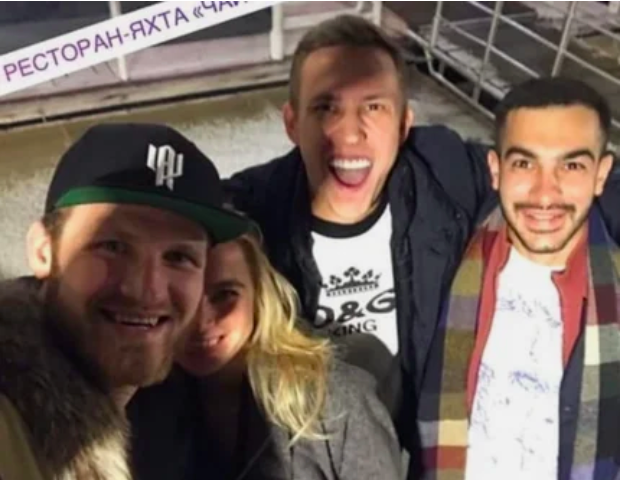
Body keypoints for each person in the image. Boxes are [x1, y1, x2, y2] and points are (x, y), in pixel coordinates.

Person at [223, 13, 620, 465]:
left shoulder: (444, 172)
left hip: (419, 449)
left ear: (404, 124)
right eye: (326, 108)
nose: (350, 132)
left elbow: (562, 180)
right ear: (292, 123)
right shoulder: (254, 215)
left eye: (374, 107)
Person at [0, 123, 251, 479]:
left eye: (178, 256)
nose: (147, 291)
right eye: (112, 246)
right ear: (43, 251)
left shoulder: (173, 415)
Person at [418, 77, 620, 480]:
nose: (545, 194)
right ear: (496, 170)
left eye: (572, 165)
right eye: (525, 164)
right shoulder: (442, 260)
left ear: (601, 175)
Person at [129, 230, 403, 479]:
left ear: (260, 295)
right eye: (183, 298)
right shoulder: (139, 405)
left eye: (225, 295)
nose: (201, 322)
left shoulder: (335, 399)